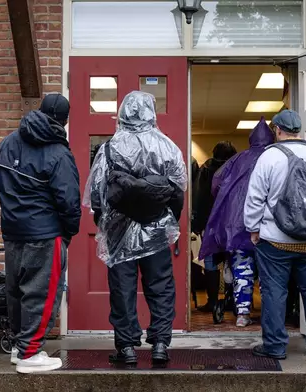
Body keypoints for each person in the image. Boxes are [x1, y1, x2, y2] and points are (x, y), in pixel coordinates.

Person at [83, 91, 187, 365]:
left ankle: (127, 347)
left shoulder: (109, 148)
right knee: (161, 286)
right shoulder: (168, 147)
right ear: (151, 112)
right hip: (156, 228)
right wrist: (166, 220)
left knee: (122, 288)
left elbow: (96, 194)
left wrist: (104, 223)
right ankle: (161, 344)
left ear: (123, 113)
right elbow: (178, 191)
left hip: (118, 229)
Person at [0, 93, 82, 374]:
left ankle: (20, 348)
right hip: (45, 233)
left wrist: (15, 209)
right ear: (64, 121)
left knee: (16, 290)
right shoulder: (58, 152)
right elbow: (69, 201)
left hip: (13, 229)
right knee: (41, 293)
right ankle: (30, 354)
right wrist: (68, 232)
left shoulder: (8, 141)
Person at [244, 109, 306, 359]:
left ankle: (275, 346)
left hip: (275, 240)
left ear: (278, 130)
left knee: (274, 291)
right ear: (298, 130)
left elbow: (254, 198)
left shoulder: (270, 156)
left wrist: (253, 229)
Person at [199, 118, 274, 327]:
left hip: (236, 226)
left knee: (242, 270)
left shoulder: (236, 160)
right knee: (270, 273)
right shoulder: (276, 157)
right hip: (269, 227)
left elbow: (216, 184)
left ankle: (242, 314)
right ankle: (271, 315)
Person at [191, 141, 237, 312]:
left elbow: (199, 196)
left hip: (211, 223)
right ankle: (232, 300)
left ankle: (212, 301)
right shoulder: (236, 167)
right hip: (233, 223)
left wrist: (197, 222)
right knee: (232, 261)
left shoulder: (206, 169)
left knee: (210, 261)